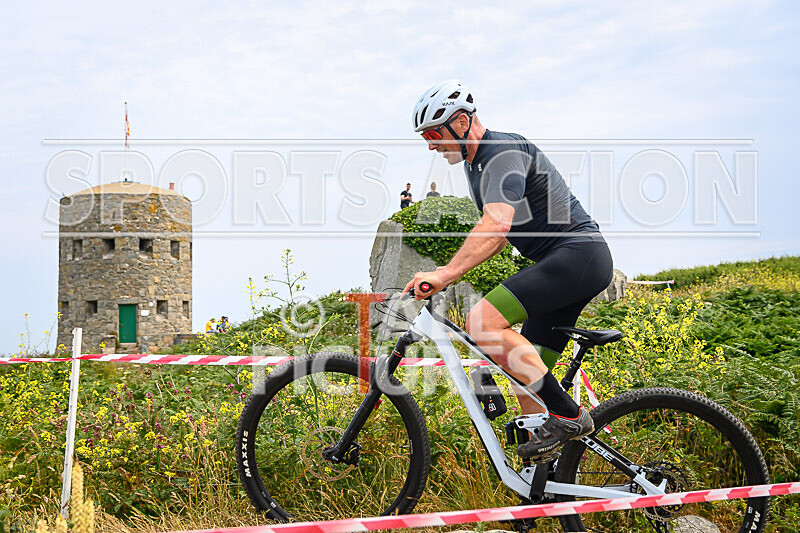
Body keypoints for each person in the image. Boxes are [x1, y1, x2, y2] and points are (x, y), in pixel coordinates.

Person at [404, 80, 613, 461]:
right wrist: (447, 270)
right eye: (426, 137)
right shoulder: (476, 164)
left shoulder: (499, 152)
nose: (431, 145)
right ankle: (540, 484)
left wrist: (446, 274)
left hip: (576, 255)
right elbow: (498, 238)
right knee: (527, 380)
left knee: (481, 323)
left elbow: (497, 224)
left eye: (434, 133)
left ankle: (569, 415)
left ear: (463, 122)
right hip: (569, 262)